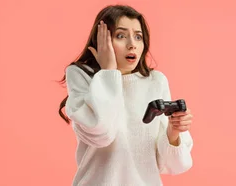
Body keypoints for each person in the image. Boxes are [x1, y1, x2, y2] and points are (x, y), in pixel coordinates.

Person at [57, 4, 194, 186]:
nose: (132, 44)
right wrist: (108, 72)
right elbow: (102, 133)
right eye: (120, 36)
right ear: (101, 41)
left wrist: (174, 133)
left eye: (138, 37)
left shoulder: (155, 81)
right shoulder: (82, 76)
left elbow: (176, 166)